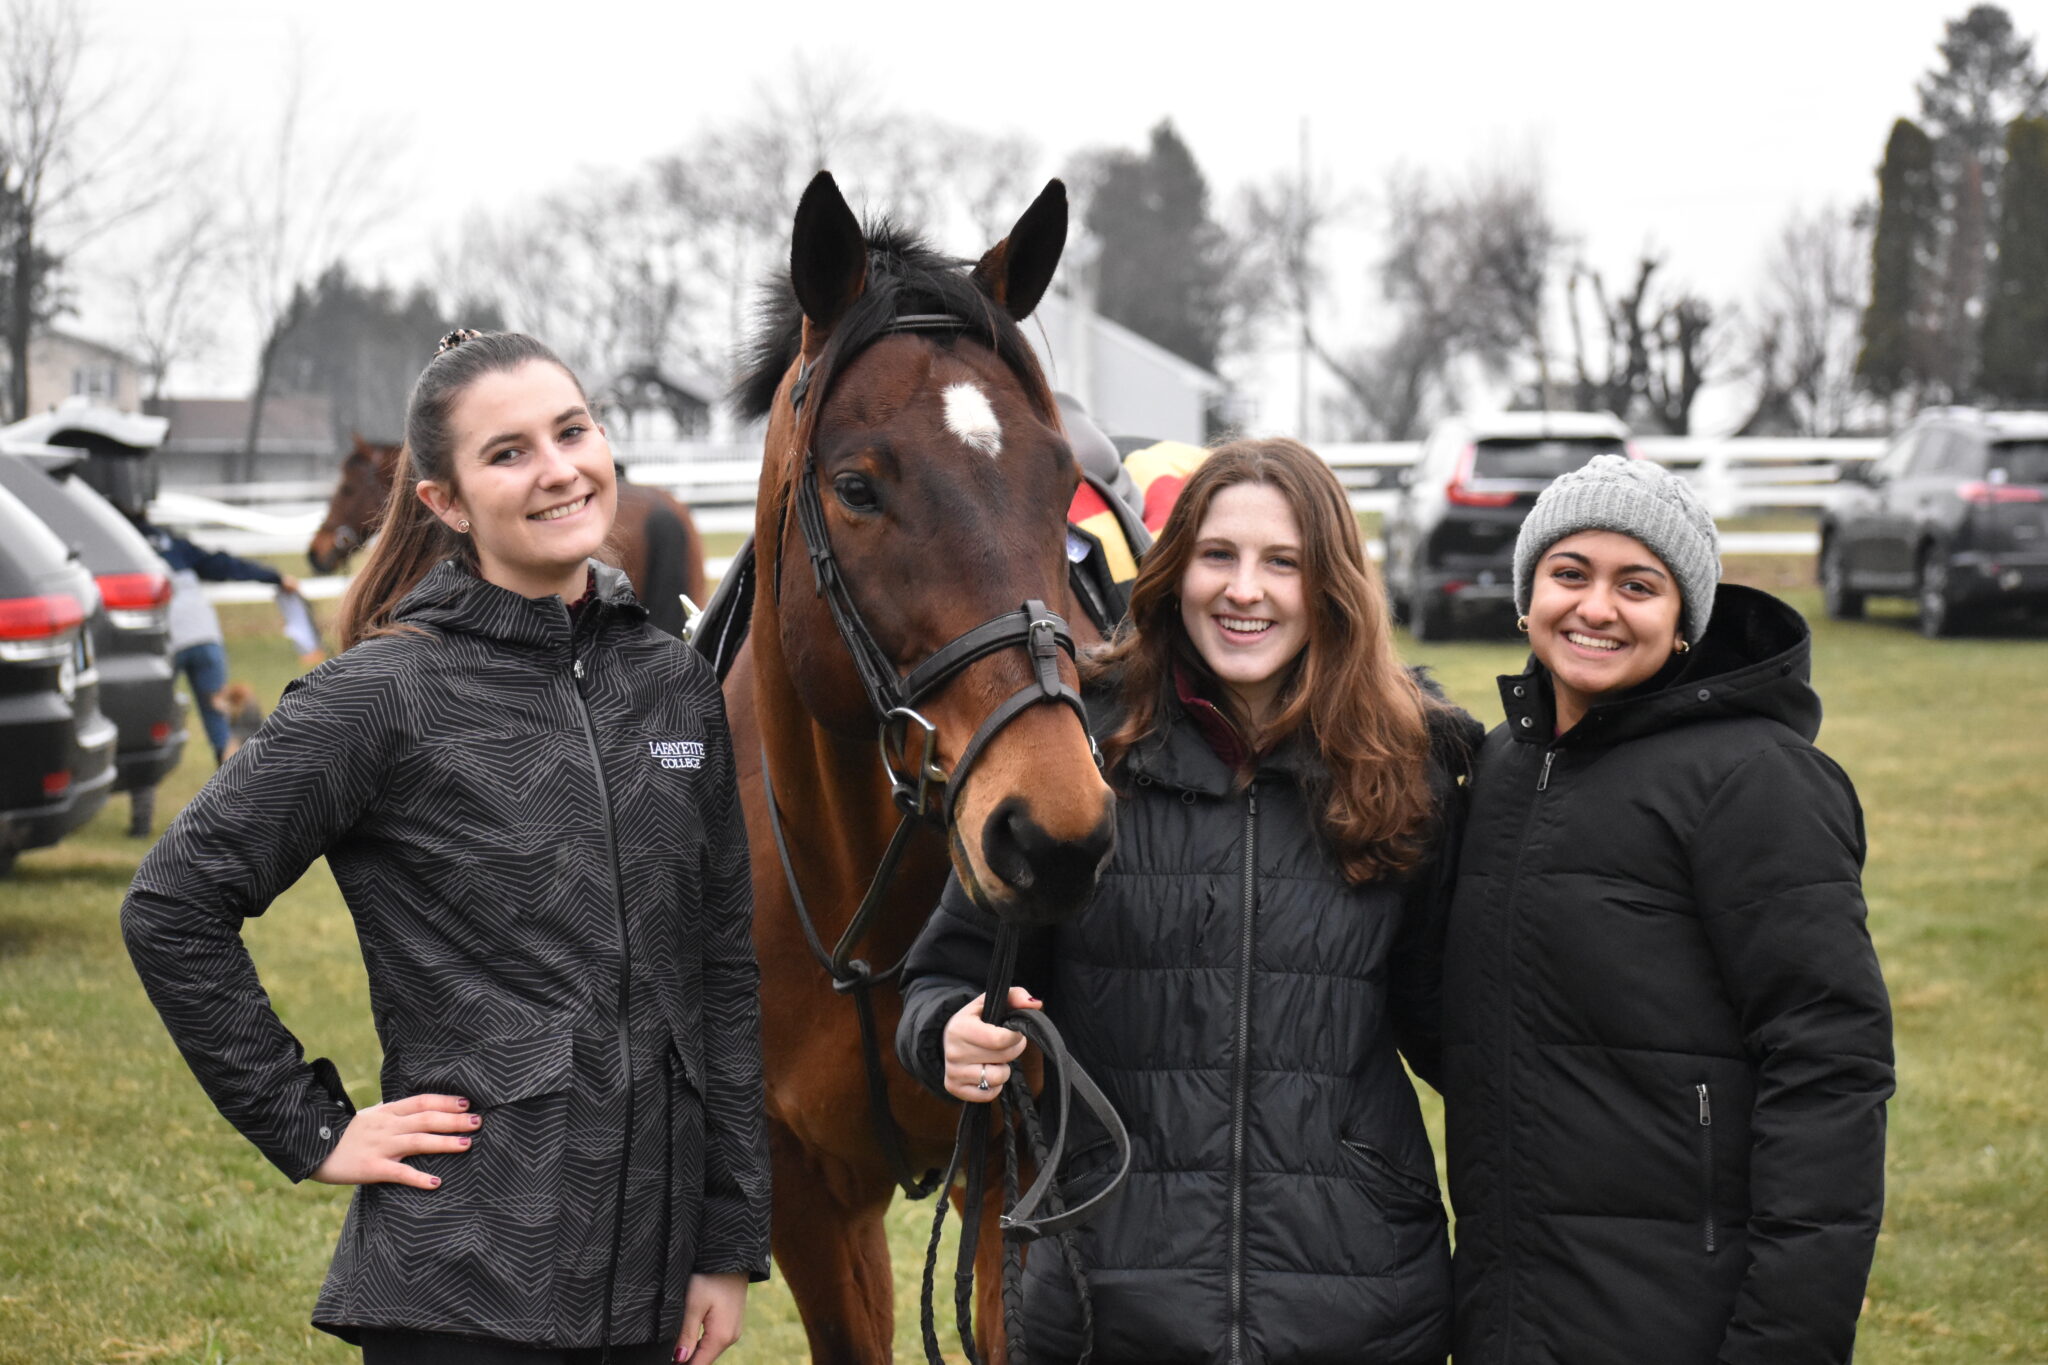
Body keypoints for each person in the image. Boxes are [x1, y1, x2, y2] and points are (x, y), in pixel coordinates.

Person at [121, 330, 770, 1365]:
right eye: (507, 453)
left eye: (572, 430)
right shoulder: (381, 697)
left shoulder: (674, 684)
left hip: (653, 1283)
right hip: (460, 1290)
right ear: (445, 502)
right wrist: (312, 1126)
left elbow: (722, 970)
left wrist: (728, 1240)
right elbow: (172, 903)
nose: (558, 468)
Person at [897, 438, 1480, 1364]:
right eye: (1219, 555)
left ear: (1327, 581)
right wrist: (946, 1032)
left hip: (1357, 1302)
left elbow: (1466, 1032)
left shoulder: (1416, 763)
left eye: (1281, 561)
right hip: (1108, 1295)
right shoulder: (1079, 750)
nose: (1245, 589)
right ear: (1175, 573)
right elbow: (943, 976)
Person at [1440, 455, 1894, 1364]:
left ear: (1685, 618)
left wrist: (1783, 1342)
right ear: (1528, 596)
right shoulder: (1500, 770)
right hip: (1513, 1308)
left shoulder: (1758, 780)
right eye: (1570, 573)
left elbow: (1830, 1071)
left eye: (1637, 584)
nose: (1596, 608)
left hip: (1684, 1314)